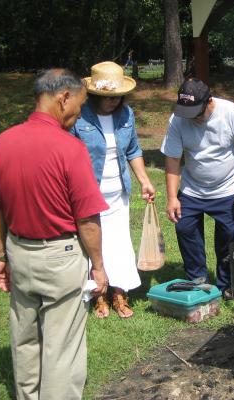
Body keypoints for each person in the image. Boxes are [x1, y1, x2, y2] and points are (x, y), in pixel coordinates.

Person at [0, 69, 109, 399]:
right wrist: (98, 266)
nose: (80, 112)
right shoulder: (70, 149)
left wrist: (1, 255)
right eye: (80, 104)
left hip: (18, 252)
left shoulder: (2, 143)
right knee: (62, 345)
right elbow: (87, 219)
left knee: (24, 338)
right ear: (63, 98)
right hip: (60, 257)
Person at [160, 77, 234, 298]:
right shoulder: (177, 119)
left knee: (228, 237)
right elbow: (173, 158)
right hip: (192, 189)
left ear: (209, 101)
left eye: (196, 112)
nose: (192, 118)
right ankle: (198, 280)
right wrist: (172, 197)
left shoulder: (231, 113)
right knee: (185, 229)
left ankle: (227, 285)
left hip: (227, 189)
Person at [71, 61, 155, 318]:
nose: (114, 101)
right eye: (109, 97)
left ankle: (119, 294)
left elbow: (133, 150)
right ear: (95, 94)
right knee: (93, 245)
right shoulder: (78, 116)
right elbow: (68, 155)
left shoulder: (126, 114)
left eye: (118, 96)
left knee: (119, 244)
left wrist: (144, 180)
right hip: (88, 195)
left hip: (118, 194)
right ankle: (98, 295)